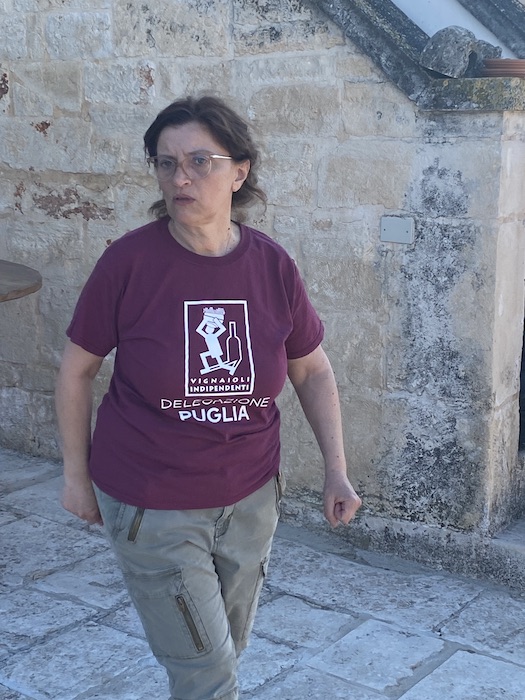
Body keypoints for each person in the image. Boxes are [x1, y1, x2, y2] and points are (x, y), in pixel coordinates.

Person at [55, 95, 362, 700]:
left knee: (225, 650)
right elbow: (75, 371)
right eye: (166, 163)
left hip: (250, 499)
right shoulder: (129, 264)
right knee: (207, 673)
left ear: (239, 171)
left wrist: (336, 469)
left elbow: (311, 371)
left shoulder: (272, 266)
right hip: (153, 501)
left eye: (200, 161)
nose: (181, 178)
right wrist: (75, 476)